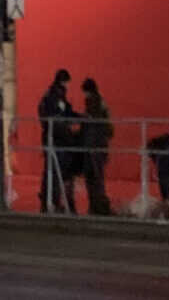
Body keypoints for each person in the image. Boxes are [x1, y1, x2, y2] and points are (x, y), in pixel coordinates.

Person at [36, 69, 78, 213]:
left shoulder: (51, 94)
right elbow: (63, 113)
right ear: (64, 81)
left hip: (53, 137)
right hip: (57, 139)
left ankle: (49, 200)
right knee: (54, 170)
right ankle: (51, 201)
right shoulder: (56, 95)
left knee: (52, 170)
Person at [78, 78, 113, 215]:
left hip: (94, 146)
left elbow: (92, 127)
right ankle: (100, 206)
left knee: (93, 177)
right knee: (98, 177)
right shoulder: (101, 103)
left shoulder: (93, 104)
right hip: (102, 144)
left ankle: (97, 207)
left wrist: (88, 146)